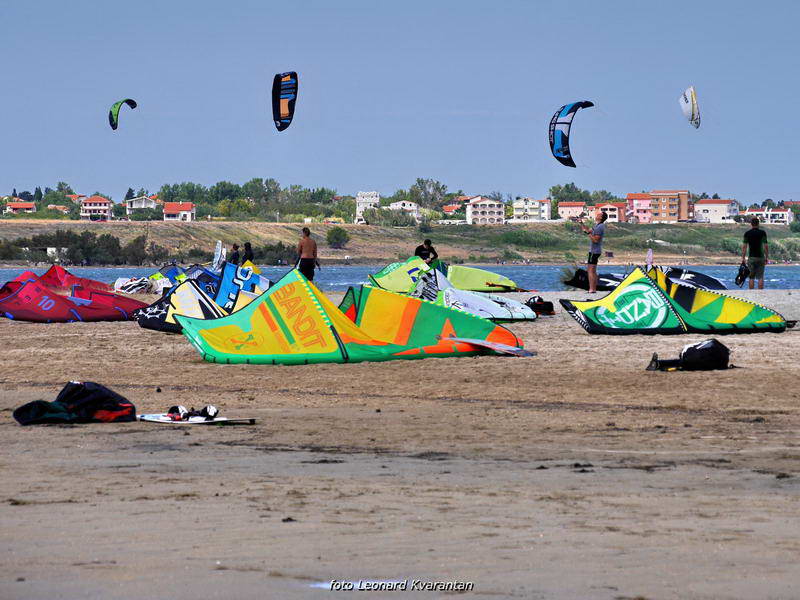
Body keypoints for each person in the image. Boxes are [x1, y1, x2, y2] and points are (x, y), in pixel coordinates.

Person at [578, 211, 608, 293]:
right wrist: (581, 223)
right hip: (595, 251)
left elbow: (595, 240)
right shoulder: (597, 226)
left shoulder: (600, 227)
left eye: (599, 214)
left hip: (594, 251)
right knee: (593, 271)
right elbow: (588, 230)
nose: (597, 215)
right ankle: (593, 289)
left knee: (590, 271)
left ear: (601, 217)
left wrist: (588, 234)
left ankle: (591, 289)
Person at [742, 217, 768, 289]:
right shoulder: (762, 233)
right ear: (758, 224)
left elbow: (744, 247)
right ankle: (760, 293)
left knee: (751, 277)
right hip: (761, 257)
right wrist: (766, 257)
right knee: (760, 277)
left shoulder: (747, 233)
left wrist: (743, 258)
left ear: (751, 224)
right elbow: (765, 246)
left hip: (751, 257)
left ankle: (751, 293)